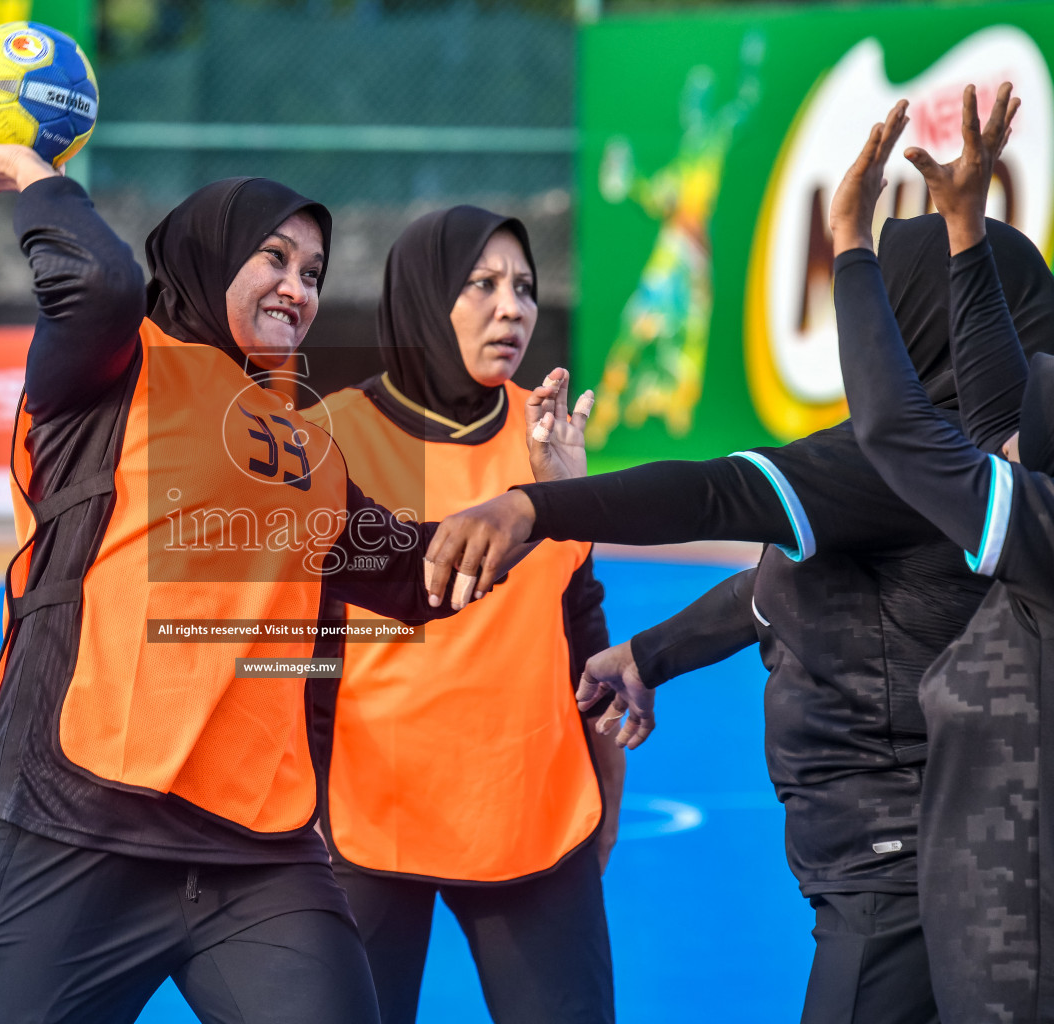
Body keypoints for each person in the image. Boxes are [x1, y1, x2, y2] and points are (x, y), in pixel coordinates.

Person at [417, 91, 1053, 1024]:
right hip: (904, 860)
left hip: (894, 873)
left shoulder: (906, 469)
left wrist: (534, 506)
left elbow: (712, 492)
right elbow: (780, 582)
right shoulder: (978, 468)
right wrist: (654, 651)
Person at [0, 102, 575, 1024]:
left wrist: (540, 500)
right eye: (273, 259)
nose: (298, 287)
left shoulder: (302, 444)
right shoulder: (113, 370)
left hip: (255, 850)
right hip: (66, 823)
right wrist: (31, 176)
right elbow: (103, 281)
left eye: (313, 271)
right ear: (205, 255)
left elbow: (419, 572)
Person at [302, 207, 619, 1024]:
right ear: (420, 296)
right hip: (364, 823)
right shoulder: (327, 439)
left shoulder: (548, 435)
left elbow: (580, 617)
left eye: (523, 287)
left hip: (532, 815)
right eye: (481, 285)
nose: (511, 308)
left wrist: (605, 788)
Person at [831, 84, 1054, 1023]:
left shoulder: (1040, 533)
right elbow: (1005, 415)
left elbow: (895, 428)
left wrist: (849, 244)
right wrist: (967, 227)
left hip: (1019, 951)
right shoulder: (1035, 511)